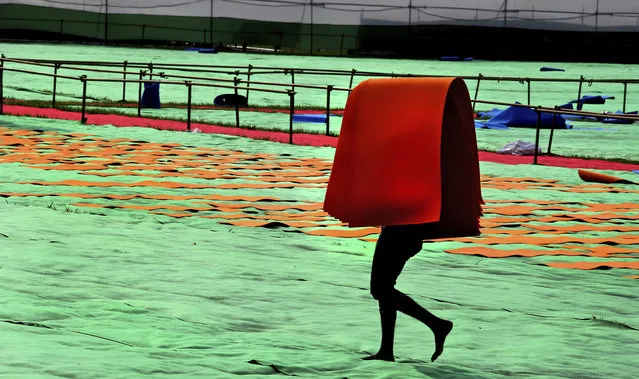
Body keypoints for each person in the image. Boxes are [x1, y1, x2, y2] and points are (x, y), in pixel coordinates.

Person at [362, 223, 454, 363]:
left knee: (380, 288)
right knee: (384, 287)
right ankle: (386, 350)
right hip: (403, 232)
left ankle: (437, 325)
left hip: (399, 233)